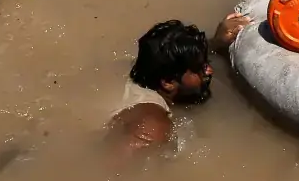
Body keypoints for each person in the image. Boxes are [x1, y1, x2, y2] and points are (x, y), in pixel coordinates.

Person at [106, 12, 249, 153]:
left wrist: (215, 43)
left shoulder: (145, 70)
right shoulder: (153, 125)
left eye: (206, 63)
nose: (209, 71)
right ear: (168, 82)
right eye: (198, 69)